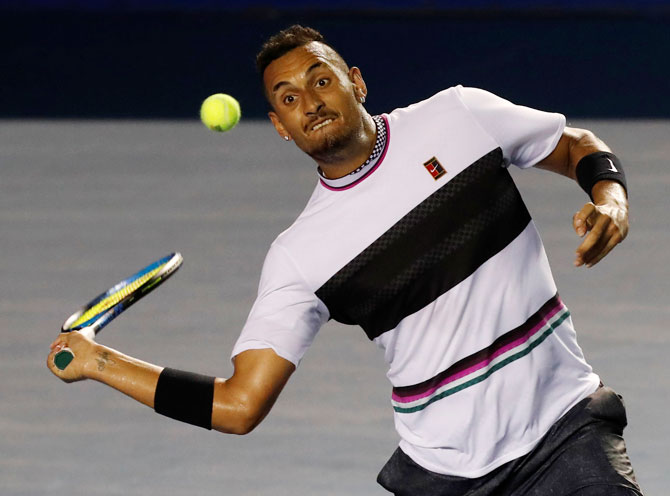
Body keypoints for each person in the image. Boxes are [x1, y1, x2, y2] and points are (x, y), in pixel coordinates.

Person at [48, 25, 642, 495]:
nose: (308, 102)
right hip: (449, 475)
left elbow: (572, 145)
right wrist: (99, 362)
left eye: (320, 80)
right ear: (281, 128)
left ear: (355, 82)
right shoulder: (301, 256)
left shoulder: (459, 117)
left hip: (568, 430)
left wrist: (608, 196)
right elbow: (239, 405)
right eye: (288, 99)